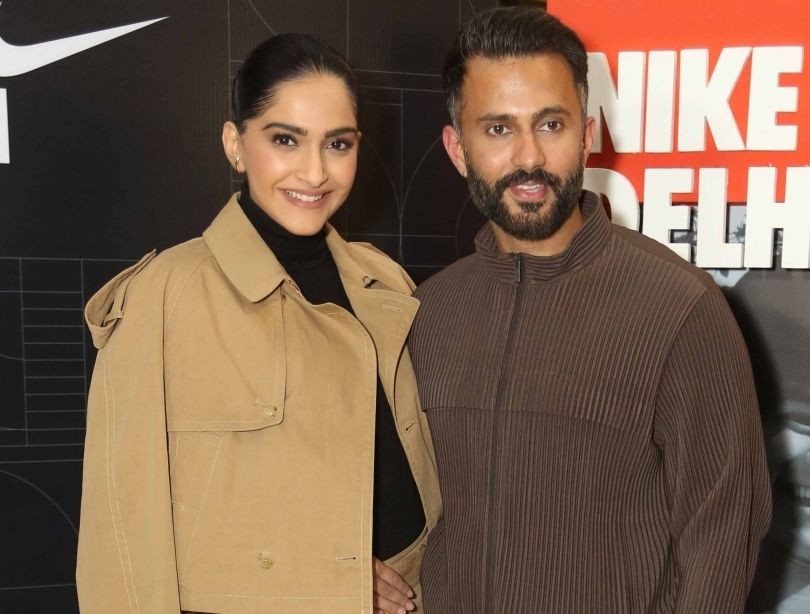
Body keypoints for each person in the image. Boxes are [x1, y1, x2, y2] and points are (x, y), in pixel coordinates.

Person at [408, 7, 772, 613]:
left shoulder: (681, 308)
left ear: (586, 132)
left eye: (549, 124)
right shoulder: (427, 314)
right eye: (498, 129)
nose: (528, 158)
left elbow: (722, 539)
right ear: (456, 147)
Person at [76, 33, 441, 614]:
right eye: (285, 140)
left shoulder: (383, 284)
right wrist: (333, 577)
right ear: (235, 144)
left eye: (337, 144)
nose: (315, 171)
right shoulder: (164, 296)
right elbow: (120, 537)